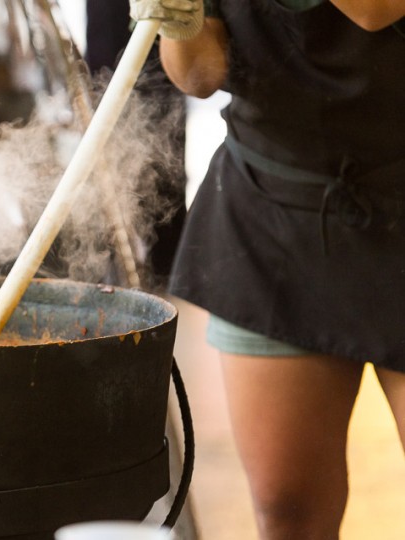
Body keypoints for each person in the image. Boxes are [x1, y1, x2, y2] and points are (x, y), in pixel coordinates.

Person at [131, 0, 405, 538]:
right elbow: (201, 74)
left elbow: (375, 10)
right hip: (274, 206)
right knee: (288, 509)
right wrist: (177, 19)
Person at [85, 0, 188, 289]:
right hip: (107, 51)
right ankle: (110, 267)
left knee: (164, 157)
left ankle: (169, 271)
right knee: (107, 167)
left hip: (161, 54)